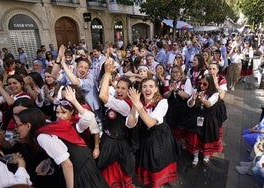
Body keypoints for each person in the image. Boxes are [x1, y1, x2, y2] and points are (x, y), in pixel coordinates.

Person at [16, 88, 108, 188]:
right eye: (57, 113)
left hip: (81, 170)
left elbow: (67, 164)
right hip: (83, 165)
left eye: (18, 125)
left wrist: (74, 101)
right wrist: (48, 162)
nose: (59, 116)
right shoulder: (53, 127)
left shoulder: (45, 134)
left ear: (29, 125)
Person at [126, 78, 178, 187]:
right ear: (141, 89)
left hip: (160, 139)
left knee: (158, 163)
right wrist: (134, 107)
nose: (147, 89)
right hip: (146, 138)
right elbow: (131, 124)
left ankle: (157, 184)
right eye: (144, 86)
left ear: (155, 89)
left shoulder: (162, 102)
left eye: (150, 86)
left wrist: (138, 106)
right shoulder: (139, 102)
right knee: (148, 163)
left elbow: (150, 123)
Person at [98, 58, 135, 187]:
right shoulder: (116, 96)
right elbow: (105, 88)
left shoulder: (125, 105)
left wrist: (108, 73)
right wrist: (107, 72)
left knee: (114, 173)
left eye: (123, 89)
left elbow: (102, 96)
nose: (119, 91)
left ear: (129, 91)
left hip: (116, 144)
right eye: (118, 87)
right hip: (108, 139)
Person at [185, 74, 223, 166]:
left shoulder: (215, 94)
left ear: (210, 84)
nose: (201, 86)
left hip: (208, 121)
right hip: (196, 119)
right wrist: (193, 99)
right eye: (200, 83)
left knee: (206, 139)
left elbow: (209, 104)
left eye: (204, 84)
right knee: (196, 139)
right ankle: (196, 157)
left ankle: (206, 156)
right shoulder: (196, 91)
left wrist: (202, 99)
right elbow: (189, 104)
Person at [164, 64, 193, 146]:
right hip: (172, 108)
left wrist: (176, 90)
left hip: (182, 108)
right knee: (171, 125)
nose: (174, 74)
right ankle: (172, 143)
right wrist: (170, 91)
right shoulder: (168, 80)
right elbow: (165, 96)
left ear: (181, 73)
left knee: (182, 126)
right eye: (173, 72)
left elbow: (187, 95)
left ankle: (181, 143)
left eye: (177, 72)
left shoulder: (186, 80)